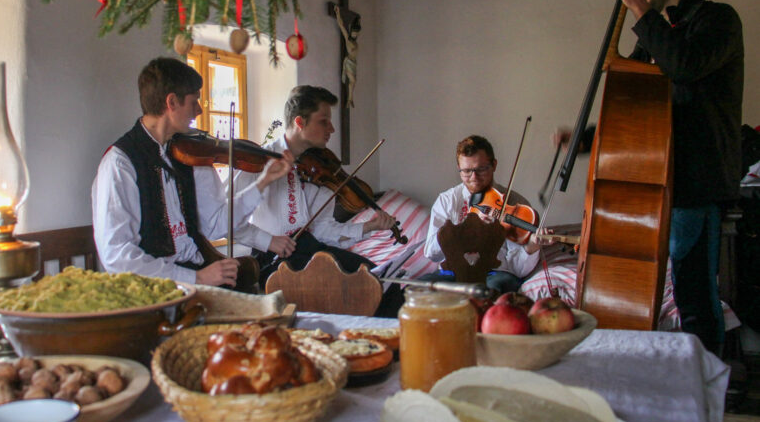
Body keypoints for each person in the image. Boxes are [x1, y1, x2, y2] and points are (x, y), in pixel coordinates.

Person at [560, 0, 743, 354]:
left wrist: (641, 11)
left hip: (696, 181)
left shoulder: (717, 19)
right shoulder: (660, 34)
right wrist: (584, 138)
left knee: (695, 297)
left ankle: (707, 383)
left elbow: (686, 66)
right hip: (656, 181)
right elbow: (634, 108)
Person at [91, 57, 293, 288]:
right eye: (194, 101)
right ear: (172, 102)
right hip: (152, 289)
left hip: (195, 272)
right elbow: (117, 256)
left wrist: (264, 181)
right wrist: (195, 278)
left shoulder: (188, 154)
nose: (198, 110)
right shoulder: (120, 163)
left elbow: (217, 223)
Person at [231, 85, 397, 285]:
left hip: (310, 251)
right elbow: (227, 219)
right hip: (275, 260)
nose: (332, 129)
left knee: (378, 279)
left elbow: (323, 231)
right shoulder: (257, 159)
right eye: (323, 122)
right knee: (356, 288)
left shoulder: (321, 168)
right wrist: (268, 241)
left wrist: (370, 226)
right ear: (300, 122)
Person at [423, 135, 544, 293]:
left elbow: (518, 269)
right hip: (452, 273)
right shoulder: (447, 200)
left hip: (494, 274)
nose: (473, 178)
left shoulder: (514, 204)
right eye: (466, 171)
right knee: (418, 288)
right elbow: (431, 253)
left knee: (490, 292)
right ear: (459, 168)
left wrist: (531, 248)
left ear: (493, 165)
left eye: (480, 169)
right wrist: (465, 229)